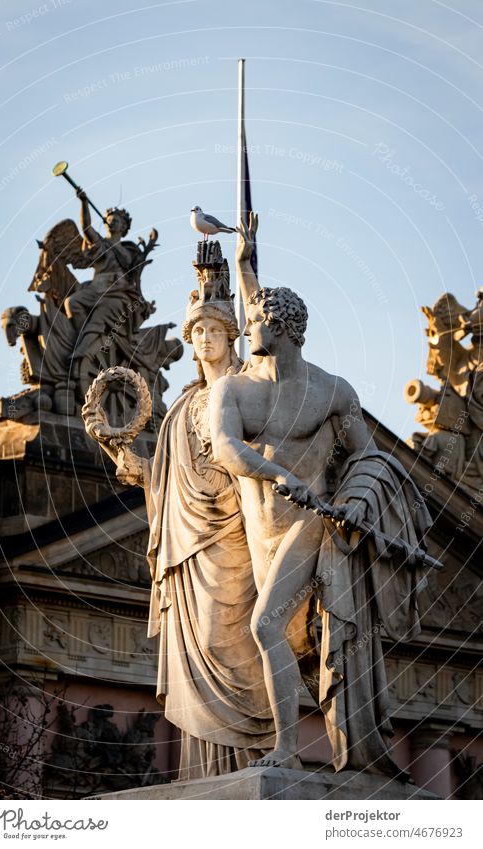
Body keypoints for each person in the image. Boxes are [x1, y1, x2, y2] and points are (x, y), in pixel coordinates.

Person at [210, 233, 431, 777]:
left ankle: (286, 750)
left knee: (265, 627)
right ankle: (318, 739)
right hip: (261, 535)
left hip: (310, 524)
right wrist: (279, 471)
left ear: (280, 329)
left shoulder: (334, 392)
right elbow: (226, 448)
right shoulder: (234, 391)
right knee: (283, 639)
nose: (245, 329)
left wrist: (356, 501)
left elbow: (373, 460)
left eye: (255, 321)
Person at [103, 244, 274, 779]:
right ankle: (203, 771)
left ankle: (248, 758)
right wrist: (134, 463)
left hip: (236, 543)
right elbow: (167, 478)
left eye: (215, 332)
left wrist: (241, 271)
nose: (204, 341)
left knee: (234, 646)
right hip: (185, 548)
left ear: (232, 338)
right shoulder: (178, 407)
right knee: (194, 646)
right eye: (197, 332)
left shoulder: (247, 393)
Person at [65, 191, 154, 358]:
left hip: (117, 294)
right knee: (71, 303)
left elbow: (134, 278)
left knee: (100, 314)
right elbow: (86, 228)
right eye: (109, 221)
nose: (111, 223)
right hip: (95, 289)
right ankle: (86, 337)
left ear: (123, 227)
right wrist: (84, 203)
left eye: (116, 221)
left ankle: (83, 349)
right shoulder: (101, 244)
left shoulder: (128, 253)